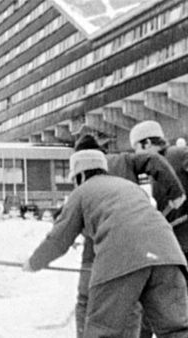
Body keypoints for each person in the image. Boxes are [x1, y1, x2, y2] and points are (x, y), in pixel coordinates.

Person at [23, 149, 188, 337]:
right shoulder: (130, 187)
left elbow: (59, 239)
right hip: (168, 256)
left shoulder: (82, 192)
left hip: (122, 259)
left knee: (103, 331)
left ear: (81, 175)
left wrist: (34, 262)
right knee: (176, 330)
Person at [72, 134, 186, 337]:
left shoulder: (88, 175)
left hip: (110, 248)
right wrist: (176, 192)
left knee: (92, 305)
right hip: (156, 243)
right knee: (166, 320)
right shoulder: (124, 160)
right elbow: (154, 160)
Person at [129, 120, 188, 337]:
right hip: (172, 246)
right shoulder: (158, 167)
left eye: (137, 150)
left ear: (146, 143)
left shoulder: (177, 154)